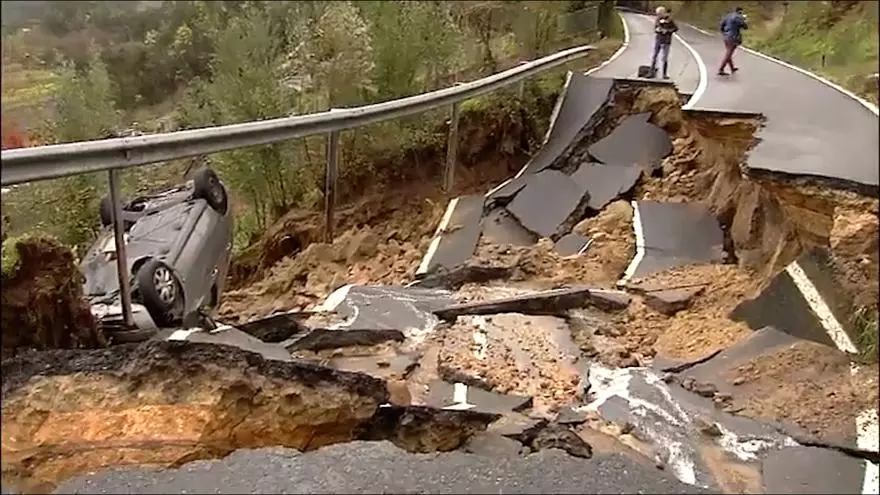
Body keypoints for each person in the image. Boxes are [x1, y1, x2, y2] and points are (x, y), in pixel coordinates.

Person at [718, 6, 748, 76]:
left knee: (729, 53)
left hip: (726, 37)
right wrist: (745, 20)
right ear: (740, 11)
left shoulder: (728, 16)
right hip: (733, 38)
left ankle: (732, 68)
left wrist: (724, 33)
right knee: (729, 53)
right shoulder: (738, 17)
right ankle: (721, 69)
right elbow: (745, 27)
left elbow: (722, 25)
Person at [651, 6, 678, 79]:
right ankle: (651, 72)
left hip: (666, 41)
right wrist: (658, 30)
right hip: (658, 40)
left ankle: (664, 74)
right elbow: (655, 28)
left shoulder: (670, 20)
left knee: (664, 58)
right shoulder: (658, 19)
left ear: (663, 13)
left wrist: (668, 31)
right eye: (657, 14)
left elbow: (675, 28)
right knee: (654, 56)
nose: (658, 15)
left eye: (659, 14)